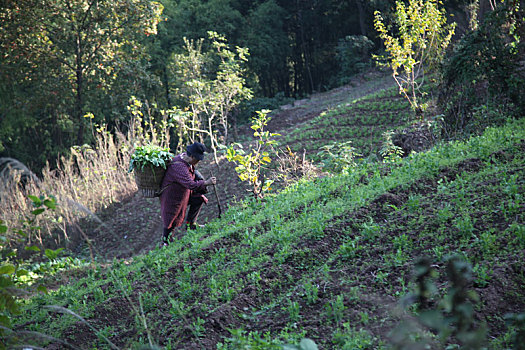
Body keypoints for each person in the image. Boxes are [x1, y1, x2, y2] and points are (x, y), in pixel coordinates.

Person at [159, 142, 217, 246]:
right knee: (171, 217)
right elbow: (191, 184)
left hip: (184, 193)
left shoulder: (185, 160)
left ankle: (191, 224)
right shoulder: (179, 167)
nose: (198, 162)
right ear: (191, 156)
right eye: (197, 159)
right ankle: (166, 242)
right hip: (172, 196)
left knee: (199, 199)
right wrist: (206, 182)